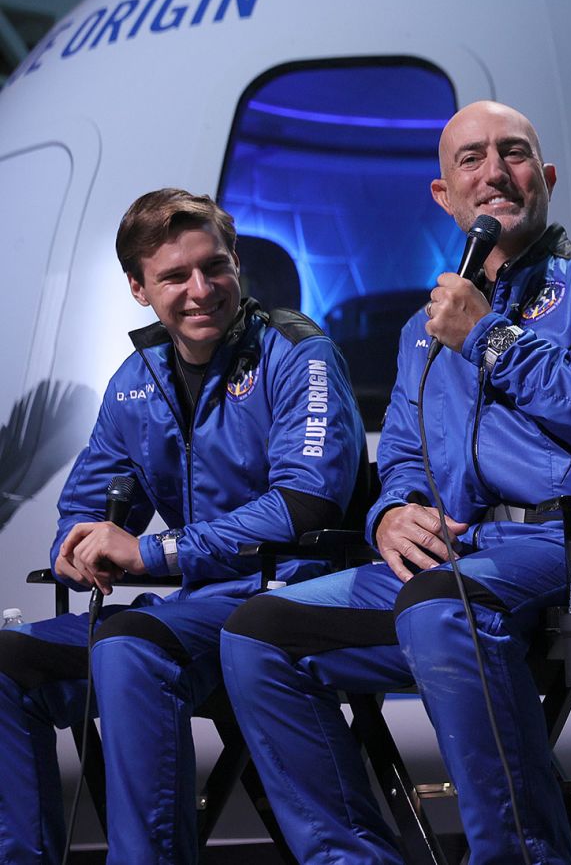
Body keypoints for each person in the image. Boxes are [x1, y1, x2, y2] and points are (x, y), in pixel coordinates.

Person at [220, 100, 571, 865]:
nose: (494, 172)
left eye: (515, 153)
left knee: (441, 607)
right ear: (445, 193)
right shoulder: (420, 328)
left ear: (549, 177)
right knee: (258, 632)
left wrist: (490, 337)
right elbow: (400, 454)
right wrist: (392, 515)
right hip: (461, 559)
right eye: (471, 160)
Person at [0, 188, 364, 864]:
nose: (201, 289)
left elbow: (307, 504)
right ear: (139, 290)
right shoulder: (135, 381)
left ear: (235, 267)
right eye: (174, 276)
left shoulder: (298, 352)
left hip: (286, 600)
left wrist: (149, 552)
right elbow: (82, 513)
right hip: (192, 611)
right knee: (7, 660)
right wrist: (77, 549)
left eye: (215, 266)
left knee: (132, 643)